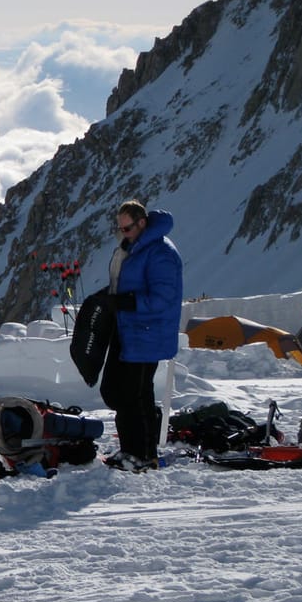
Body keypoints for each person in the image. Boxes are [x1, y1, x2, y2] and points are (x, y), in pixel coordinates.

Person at [100, 200, 184, 472]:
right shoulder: (134, 248)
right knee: (121, 391)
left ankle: (140, 454)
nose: (123, 233)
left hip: (146, 332)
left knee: (132, 395)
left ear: (142, 223)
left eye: (127, 228)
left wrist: (128, 302)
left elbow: (164, 297)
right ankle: (137, 450)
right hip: (128, 329)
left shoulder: (160, 252)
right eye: (120, 228)